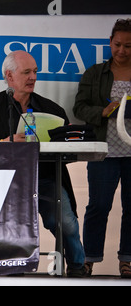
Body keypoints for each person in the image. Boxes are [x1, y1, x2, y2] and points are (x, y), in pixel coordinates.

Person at [0, 50, 87, 277]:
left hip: (44, 177)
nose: (33, 77)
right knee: (3, 227)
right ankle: (10, 268)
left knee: (66, 223)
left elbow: (68, 144)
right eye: (26, 72)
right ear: (10, 76)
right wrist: (3, 141)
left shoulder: (51, 109)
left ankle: (78, 268)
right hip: (4, 183)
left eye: (35, 72)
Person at [73, 18, 131, 278]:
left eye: (129, 46)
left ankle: (127, 261)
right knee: (98, 206)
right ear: (109, 42)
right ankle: (88, 259)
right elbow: (79, 107)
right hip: (103, 151)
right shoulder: (95, 73)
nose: (122, 51)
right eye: (117, 44)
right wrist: (103, 111)